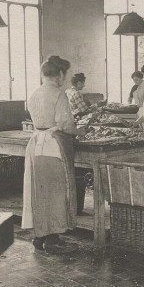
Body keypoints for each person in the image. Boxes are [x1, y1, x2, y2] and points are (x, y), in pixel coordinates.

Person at [23, 56, 88, 253]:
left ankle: (39, 236)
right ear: (60, 74)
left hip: (36, 144)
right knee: (57, 191)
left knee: (40, 190)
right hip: (53, 145)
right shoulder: (59, 94)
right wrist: (81, 131)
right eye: (65, 74)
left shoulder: (34, 94)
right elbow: (66, 125)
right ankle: (52, 240)